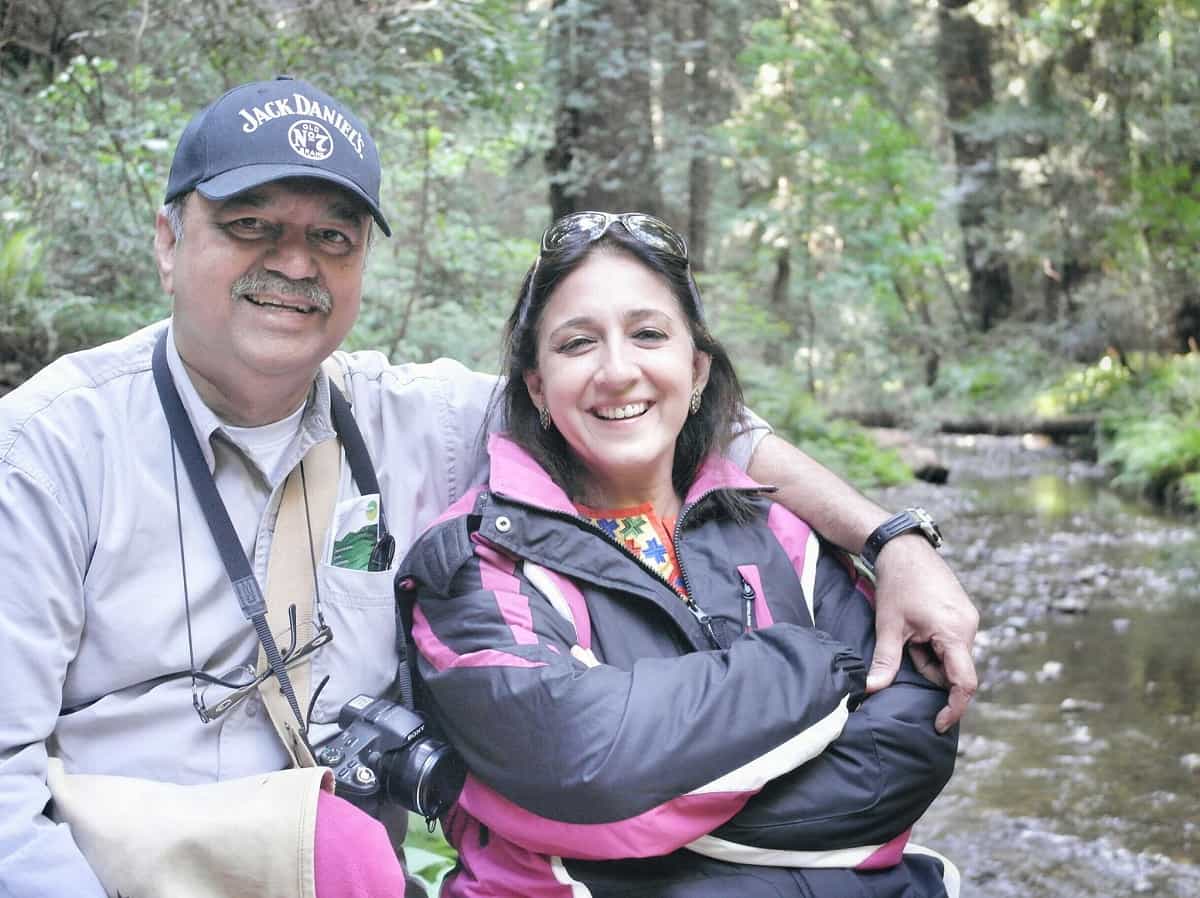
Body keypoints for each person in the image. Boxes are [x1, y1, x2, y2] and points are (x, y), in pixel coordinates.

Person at [0, 75, 974, 897]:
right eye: (251, 226)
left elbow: (670, 417)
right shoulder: (47, 452)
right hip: (125, 859)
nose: (293, 263)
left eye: (332, 237)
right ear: (170, 240)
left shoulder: (404, 419)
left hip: (352, 863)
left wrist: (893, 541)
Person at [398, 211, 961, 897]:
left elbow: (910, 738)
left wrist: (653, 821)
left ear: (695, 371)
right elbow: (582, 759)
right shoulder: (477, 562)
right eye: (577, 343)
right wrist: (819, 665)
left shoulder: (777, 524)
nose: (616, 370)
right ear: (538, 386)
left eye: (648, 334)